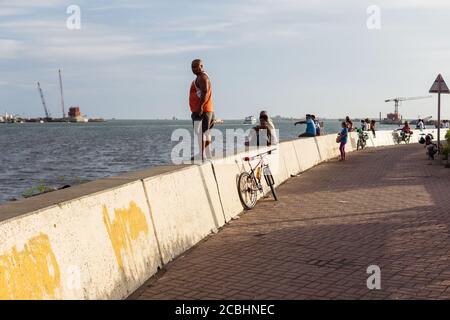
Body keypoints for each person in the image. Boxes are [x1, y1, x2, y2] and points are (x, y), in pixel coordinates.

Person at [189, 59, 215, 160]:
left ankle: (201, 155)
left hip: (202, 111)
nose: (194, 69)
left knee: (200, 133)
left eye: (196, 66)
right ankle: (207, 153)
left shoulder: (202, 78)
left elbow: (205, 92)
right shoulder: (202, 77)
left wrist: (200, 107)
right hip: (207, 110)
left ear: (201, 66)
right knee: (206, 133)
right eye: (192, 67)